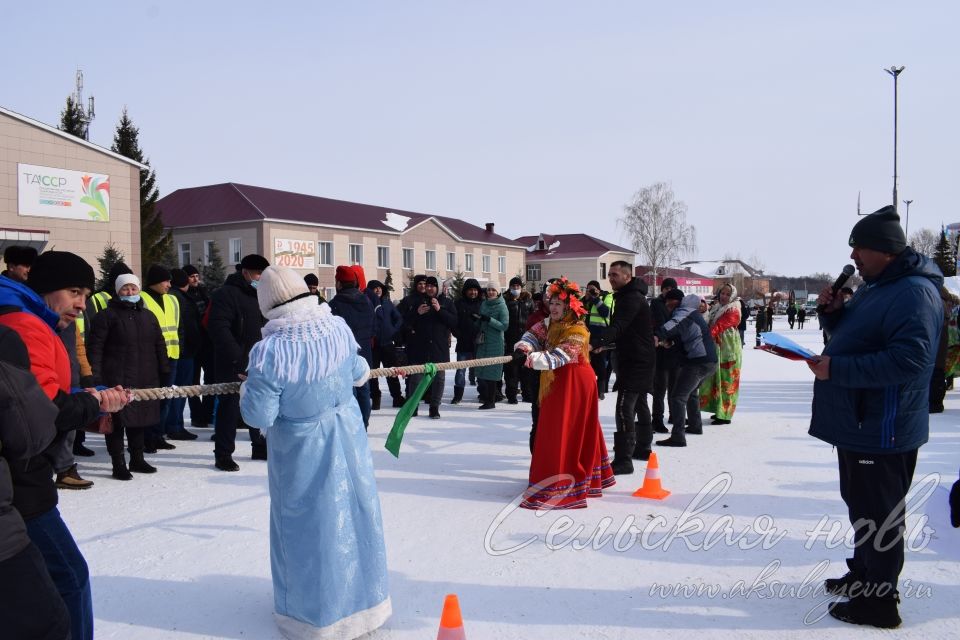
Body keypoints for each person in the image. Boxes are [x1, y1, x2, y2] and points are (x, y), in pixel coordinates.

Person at [808, 205, 942, 629]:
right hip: (861, 421)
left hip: (882, 425)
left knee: (880, 513)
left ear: (885, 250)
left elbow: (911, 360)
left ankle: (880, 602)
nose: (853, 256)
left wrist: (838, 370)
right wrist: (833, 315)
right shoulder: (878, 286)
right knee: (862, 505)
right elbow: (859, 337)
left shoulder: (912, 292)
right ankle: (865, 574)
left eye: (859, 247)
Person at [239, 267, 391, 639]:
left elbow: (259, 415)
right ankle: (365, 605)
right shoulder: (336, 327)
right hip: (347, 437)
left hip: (303, 448)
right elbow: (359, 371)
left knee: (308, 526)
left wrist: (248, 390)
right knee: (355, 514)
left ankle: (311, 615)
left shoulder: (271, 350)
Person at [0, 251, 130, 640]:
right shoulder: (25, 326)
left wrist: (88, 404)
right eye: (74, 291)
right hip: (22, 484)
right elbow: (39, 413)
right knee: (69, 576)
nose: (81, 304)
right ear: (45, 288)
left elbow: (40, 398)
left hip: (23, 478)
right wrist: (91, 404)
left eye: (87, 295)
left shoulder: (36, 321)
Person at [514, 277, 615, 508]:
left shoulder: (578, 329)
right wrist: (523, 348)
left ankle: (567, 480)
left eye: (559, 304)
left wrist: (530, 360)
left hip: (576, 383)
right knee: (552, 429)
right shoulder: (548, 323)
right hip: (555, 382)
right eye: (552, 303)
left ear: (570, 306)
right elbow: (530, 336)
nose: (554, 308)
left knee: (568, 429)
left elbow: (562, 355)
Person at [0, 325, 72, 640]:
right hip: (16, 508)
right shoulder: (11, 335)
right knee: (66, 584)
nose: (81, 304)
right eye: (74, 292)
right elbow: (34, 431)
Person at [86, 274, 170, 479]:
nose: (130, 292)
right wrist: (95, 377)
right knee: (116, 422)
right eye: (125, 289)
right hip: (116, 378)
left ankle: (137, 459)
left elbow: (159, 344)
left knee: (139, 420)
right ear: (117, 291)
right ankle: (118, 463)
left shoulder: (148, 316)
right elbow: (95, 348)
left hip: (145, 376)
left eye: (133, 288)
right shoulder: (106, 316)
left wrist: (164, 369)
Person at [209, 254, 270, 471]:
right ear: (244, 272)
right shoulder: (225, 294)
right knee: (229, 409)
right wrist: (239, 359)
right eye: (257, 274)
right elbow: (219, 329)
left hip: (260, 361)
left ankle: (260, 445)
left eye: (263, 274)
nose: (260, 278)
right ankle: (223, 454)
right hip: (232, 363)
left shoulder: (263, 294)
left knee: (260, 404)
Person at [594, 261, 655, 474]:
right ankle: (643, 448)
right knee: (639, 404)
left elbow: (618, 326)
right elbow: (628, 332)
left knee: (623, 407)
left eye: (615, 275)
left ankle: (623, 459)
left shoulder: (630, 299)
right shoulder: (629, 296)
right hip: (639, 358)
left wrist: (595, 341)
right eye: (609, 274)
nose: (611, 278)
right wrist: (606, 345)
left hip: (637, 361)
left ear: (627, 277)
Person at [655, 293, 718, 447]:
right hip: (709, 361)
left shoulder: (684, 313)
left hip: (698, 362)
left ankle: (678, 437)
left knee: (677, 397)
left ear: (681, 301)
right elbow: (685, 336)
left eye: (671, 300)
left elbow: (673, 325)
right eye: (666, 300)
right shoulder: (693, 314)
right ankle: (695, 426)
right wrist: (670, 342)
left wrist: (657, 335)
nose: (668, 303)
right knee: (691, 393)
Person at [402, 275, 456, 419]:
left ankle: (434, 407)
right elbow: (405, 322)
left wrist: (440, 310)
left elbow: (454, 322)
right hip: (420, 347)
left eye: (433, 286)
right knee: (416, 378)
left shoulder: (447, 302)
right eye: (428, 286)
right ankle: (413, 406)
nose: (429, 288)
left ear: (438, 287)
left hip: (439, 347)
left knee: (439, 379)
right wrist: (416, 313)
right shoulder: (417, 301)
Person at [141, 265, 180, 452]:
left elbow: (176, 327)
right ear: (155, 281)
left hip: (171, 355)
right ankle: (147, 437)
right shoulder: (142, 299)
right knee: (150, 399)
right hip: (150, 358)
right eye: (166, 280)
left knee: (165, 398)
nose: (169, 284)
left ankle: (158, 434)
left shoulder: (173, 300)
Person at [330, 265, 375, 426]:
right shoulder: (367, 301)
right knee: (364, 389)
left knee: (347, 393)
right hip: (364, 352)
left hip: (342, 356)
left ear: (339, 284)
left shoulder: (334, 304)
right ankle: (364, 423)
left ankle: (351, 426)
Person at [163, 269, 201, 440]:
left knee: (177, 390)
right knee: (180, 390)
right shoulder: (179, 298)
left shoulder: (175, 296)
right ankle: (175, 426)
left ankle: (172, 425)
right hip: (183, 351)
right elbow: (186, 327)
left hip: (180, 350)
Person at [699, 283, 742, 425]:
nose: (723, 296)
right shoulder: (718, 308)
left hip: (729, 351)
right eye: (722, 293)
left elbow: (717, 327)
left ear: (733, 296)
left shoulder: (734, 309)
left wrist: (703, 338)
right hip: (718, 347)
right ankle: (719, 409)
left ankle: (725, 414)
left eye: (727, 294)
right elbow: (709, 322)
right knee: (716, 378)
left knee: (727, 381)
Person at [365, 279, 405, 410]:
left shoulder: (387, 303)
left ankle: (397, 397)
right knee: (373, 375)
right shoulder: (366, 303)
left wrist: (393, 330)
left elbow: (398, 318)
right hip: (373, 345)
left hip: (388, 344)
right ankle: (375, 398)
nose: (378, 290)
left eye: (380, 287)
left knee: (392, 373)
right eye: (374, 288)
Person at [650, 278, 680, 434]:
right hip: (661, 350)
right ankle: (657, 419)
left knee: (674, 388)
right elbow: (659, 323)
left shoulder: (679, 304)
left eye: (671, 288)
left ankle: (674, 415)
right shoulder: (656, 303)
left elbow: (679, 325)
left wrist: (673, 341)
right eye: (666, 288)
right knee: (660, 389)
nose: (668, 291)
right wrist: (664, 340)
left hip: (674, 352)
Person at [475, 282, 509, 410]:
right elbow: (481, 319)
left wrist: (489, 320)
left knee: (492, 373)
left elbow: (504, 326)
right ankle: (485, 398)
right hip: (483, 341)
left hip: (495, 342)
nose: (490, 292)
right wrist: (477, 319)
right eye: (489, 290)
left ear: (498, 292)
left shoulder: (502, 306)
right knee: (482, 371)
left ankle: (491, 400)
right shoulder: (484, 303)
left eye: (493, 290)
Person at [503, 276, 534, 403]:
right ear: (510, 288)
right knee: (511, 370)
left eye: (518, 286)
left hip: (525, 339)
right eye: (513, 286)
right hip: (511, 339)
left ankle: (527, 394)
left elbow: (532, 318)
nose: (515, 289)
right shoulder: (505, 301)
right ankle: (511, 395)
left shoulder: (528, 301)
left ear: (521, 288)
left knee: (526, 369)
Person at [452, 278, 483, 404]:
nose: (473, 292)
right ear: (465, 291)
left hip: (479, 343)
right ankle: (458, 395)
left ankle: (482, 393)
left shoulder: (482, 303)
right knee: (460, 371)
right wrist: (458, 334)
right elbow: (453, 322)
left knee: (480, 370)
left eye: (475, 290)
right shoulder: (458, 303)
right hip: (463, 343)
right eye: (470, 290)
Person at [582, 279, 614, 399]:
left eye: (592, 289)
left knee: (601, 366)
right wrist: (586, 298)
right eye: (588, 289)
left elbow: (605, 312)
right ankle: (588, 390)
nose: (590, 291)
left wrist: (595, 298)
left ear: (598, 290)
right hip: (586, 337)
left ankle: (601, 391)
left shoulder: (607, 297)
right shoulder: (586, 299)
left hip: (601, 337)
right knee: (587, 365)